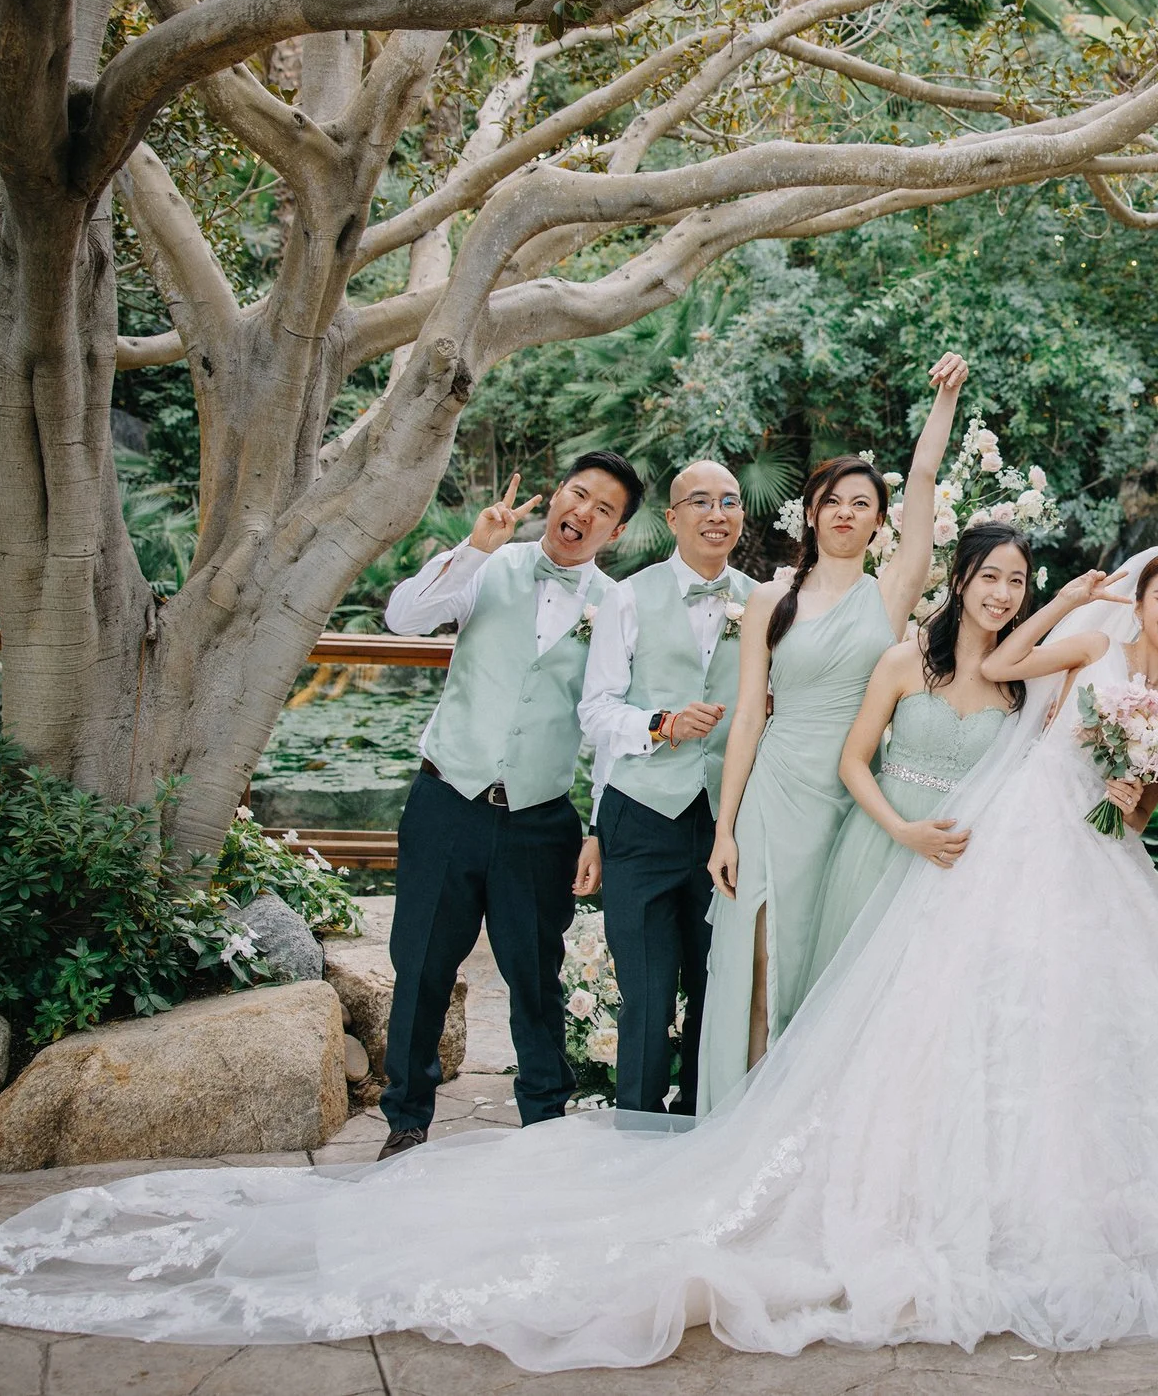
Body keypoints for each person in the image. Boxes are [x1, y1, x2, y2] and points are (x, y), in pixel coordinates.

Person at [0, 552, 1158, 1369]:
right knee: (955, 1029)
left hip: (1084, 853)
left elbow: (1115, 767)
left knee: (1070, 1039)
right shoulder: (1091, 626)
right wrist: (1079, 594)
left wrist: (1138, 777)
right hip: (996, 853)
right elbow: (1022, 658)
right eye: (1157, 593)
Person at [700, 353, 967, 1110]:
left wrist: (943, 399)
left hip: (852, 807)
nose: (847, 511)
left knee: (826, 975)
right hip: (773, 799)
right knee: (756, 970)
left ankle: (799, 1133)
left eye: (862, 503)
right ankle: (733, 1129)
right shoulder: (768, 600)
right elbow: (750, 714)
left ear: (876, 521)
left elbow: (922, 482)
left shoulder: (890, 596)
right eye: (833, 500)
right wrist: (724, 827)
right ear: (811, 512)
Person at [374, 454, 642, 1158]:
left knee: (535, 975)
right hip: (447, 800)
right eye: (578, 494)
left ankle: (544, 1121)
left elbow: (611, 722)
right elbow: (403, 618)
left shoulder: (613, 605)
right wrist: (472, 549)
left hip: (539, 817)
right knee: (422, 964)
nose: (583, 512)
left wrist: (598, 826)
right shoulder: (488, 564)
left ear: (615, 530)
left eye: (604, 508)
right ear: (556, 497)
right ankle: (406, 1118)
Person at [576, 458, 759, 1114]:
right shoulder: (627, 597)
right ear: (673, 517)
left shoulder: (764, 602)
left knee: (720, 986)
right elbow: (594, 713)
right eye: (701, 501)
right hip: (643, 817)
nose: (718, 513)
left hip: (729, 822)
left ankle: (702, 1133)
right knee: (648, 995)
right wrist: (662, 723)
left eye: (730, 501)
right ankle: (637, 1138)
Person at [809, 522, 1034, 986]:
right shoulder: (905, 660)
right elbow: (853, 760)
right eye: (990, 576)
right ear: (959, 581)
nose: (1003, 593)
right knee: (858, 989)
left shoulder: (1025, 684)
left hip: (963, 859)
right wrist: (902, 830)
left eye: (1017, 581)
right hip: (883, 841)